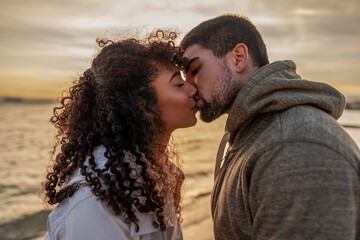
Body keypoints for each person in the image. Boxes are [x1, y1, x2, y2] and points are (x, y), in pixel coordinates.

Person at [180, 14, 360, 240]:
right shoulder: (247, 135)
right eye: (183, 77)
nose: (189, 88)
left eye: (195, 70)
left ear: (238, 58)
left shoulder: (294, 146)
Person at [42, 30, 198, 240]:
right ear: (143, 104)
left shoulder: (155, 175)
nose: (192, 89)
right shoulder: (95, 204)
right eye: (179, 84)